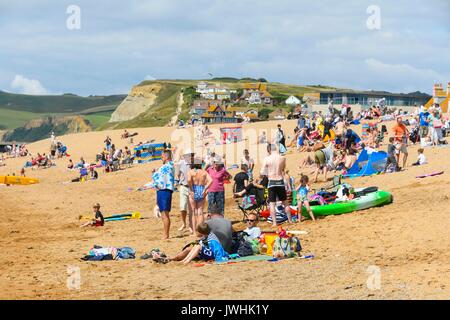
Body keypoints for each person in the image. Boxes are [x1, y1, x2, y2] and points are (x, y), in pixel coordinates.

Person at [260, 144, 292, 227]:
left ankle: (274, 223)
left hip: (272, 181)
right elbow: (283, 169)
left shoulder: (266, 159)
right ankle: (290, 220)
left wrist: (268, 173)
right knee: (285, 202)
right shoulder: (282, 158)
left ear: (269, 150)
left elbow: (262, 172)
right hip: (280, 181)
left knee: (272, 204)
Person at [151, 150, 175, 240]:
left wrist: (154, 173)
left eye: (162, 157)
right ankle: (165, 234)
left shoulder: (167, 166)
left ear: (166, 157)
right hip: (163, 190)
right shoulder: (168, 166)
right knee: (163, 214)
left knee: (165, 214)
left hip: (164, 190)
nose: (161, 158)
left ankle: (166, 235)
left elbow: (158, 178)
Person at [188, 158, 212, 232]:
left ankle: (195, 232)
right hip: (201, 189)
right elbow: (211, 180)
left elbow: (189, 180)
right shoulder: (203, 172)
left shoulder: (191, 172)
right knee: (200, 211)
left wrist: (191, 189)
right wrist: (205, 189)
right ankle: (201, 231)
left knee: (194, 212)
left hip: (193, 189)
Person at [176, 150, 194, 233]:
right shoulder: (181, 163)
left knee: (191, 208)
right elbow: (178, 174)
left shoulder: (194, 163)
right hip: (183, 186)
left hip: (192, 188)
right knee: (183, 207)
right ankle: (184, 223)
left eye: (191, 155)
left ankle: (190, 225)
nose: (190, 157)